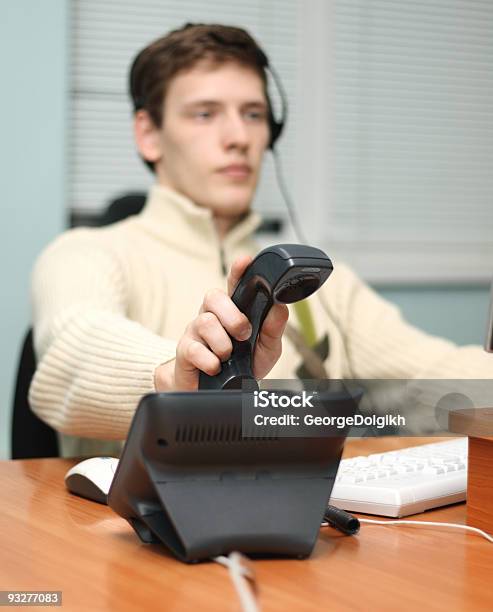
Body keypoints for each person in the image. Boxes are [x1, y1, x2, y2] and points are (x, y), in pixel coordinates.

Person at [28, 23, 493, 457]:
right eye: (205, 113)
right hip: (132, 538)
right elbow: (73, 354)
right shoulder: (87, 254)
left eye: (253, 114)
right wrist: (174, 374)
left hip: (306, 531)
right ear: (149, 134)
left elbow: (425, 376)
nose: (239, 137)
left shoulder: (311, 281)